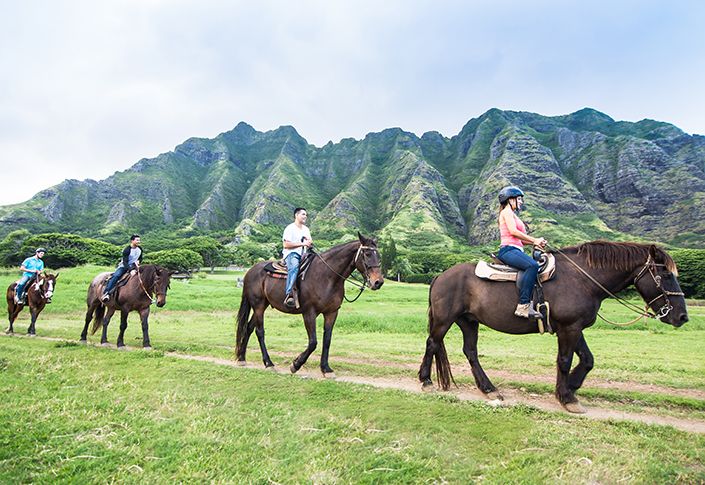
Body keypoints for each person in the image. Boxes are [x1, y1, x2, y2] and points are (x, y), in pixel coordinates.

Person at [496, 186, 548, 318]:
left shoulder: (513, 215)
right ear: (510, 200)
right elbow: (513, 232)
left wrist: (537, 242)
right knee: (532, 265)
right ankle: (523, 306)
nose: (521, 202)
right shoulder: (506, 212)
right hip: (508, 250)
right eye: (519, 199)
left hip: (516, 249)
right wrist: (534, 239)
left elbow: (522, 241)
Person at [282, 207, 312, 308]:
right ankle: (289, 293)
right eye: (303, 214)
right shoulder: (290, 228)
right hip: (292, 254)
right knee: (294, 267)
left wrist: (309, 243)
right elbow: (286, 245)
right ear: (296, 215)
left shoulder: (306, 229)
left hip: (305, 254)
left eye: (306, 215)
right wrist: (302, 243)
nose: (305, 216)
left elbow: (309, 242)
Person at [101, 234, 143, 302]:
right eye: (137, 240)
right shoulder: (127, 250)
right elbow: (125, 262)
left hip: (134, 266)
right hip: (124, 266)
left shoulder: (140, 249)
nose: (139, 241)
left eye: (139, 240)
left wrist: (138, 261)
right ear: (132, 241)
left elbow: (140, 258)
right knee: (116, 276)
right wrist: (131, 270)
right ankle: (107, 293)